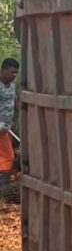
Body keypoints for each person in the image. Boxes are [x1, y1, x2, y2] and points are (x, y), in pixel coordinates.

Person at [0, 58, 17, 186]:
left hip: (6, 127)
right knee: (8, 156)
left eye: (16, 73)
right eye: (12, 72)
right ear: (4, 70)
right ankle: (3, 185)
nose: (14, 75)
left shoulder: (12, 84)